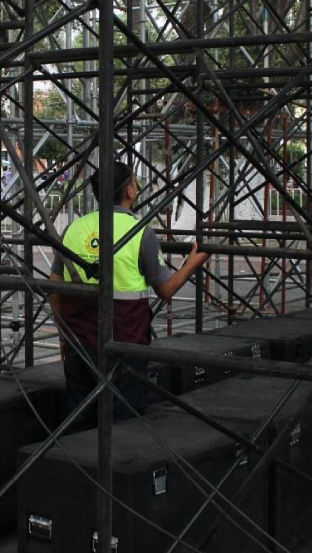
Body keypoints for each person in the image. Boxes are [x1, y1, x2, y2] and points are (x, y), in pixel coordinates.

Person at [48, 162, 209, 420]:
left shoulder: (73, 229)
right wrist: (191, 263)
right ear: (130, 192)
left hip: (79, 339)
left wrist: (63, 333)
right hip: (124, 341)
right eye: (135, 182)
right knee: (123, 415)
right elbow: (166, 290)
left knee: (79, 416)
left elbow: (53, 286)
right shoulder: (140, 232)